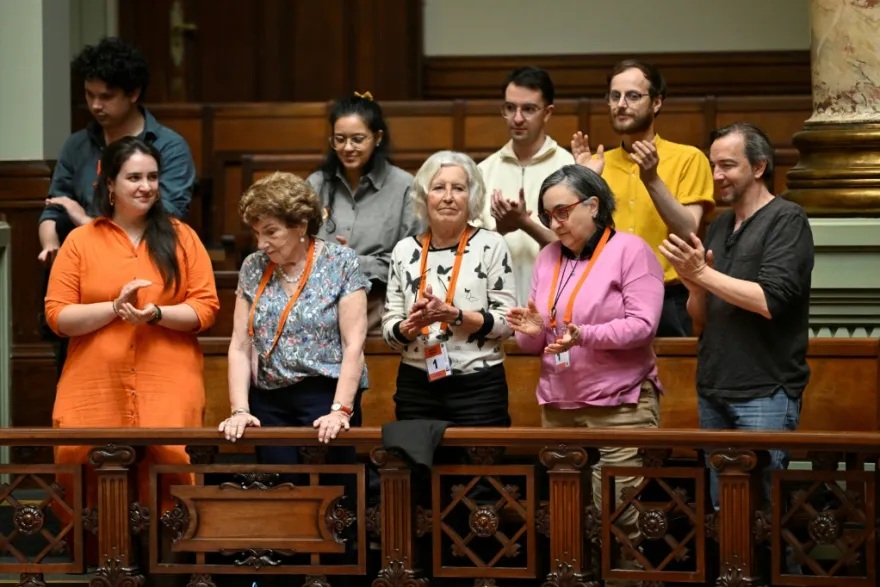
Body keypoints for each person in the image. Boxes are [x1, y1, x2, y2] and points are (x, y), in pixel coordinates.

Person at [44, 136, 218, 518]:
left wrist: (156, 313)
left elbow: (205, 309)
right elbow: (57, 316)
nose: (146, 187)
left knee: (171, 472)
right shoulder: (80, 242)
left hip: (169, 379)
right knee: (84, 471)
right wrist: (112, 307)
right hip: (94, 383)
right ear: (110, 185)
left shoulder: (182, 237)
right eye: (134, 177)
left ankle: (169, 574)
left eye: (153, 177)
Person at [507, 165, 663, 582]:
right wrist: (530, 330)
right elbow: (535, 342)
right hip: (559, 407)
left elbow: (644, 324)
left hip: (620, 405)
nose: (554, 225)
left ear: (593, 205)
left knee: (620, 522)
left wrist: (584, 335)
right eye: (547, 217)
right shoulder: (547, 257)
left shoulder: (631, 250)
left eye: (561, 213)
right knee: (565, 526)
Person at [659, 122, 813, 509]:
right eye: (713, 165)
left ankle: (771, 574)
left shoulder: (787, 219)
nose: (716, 176)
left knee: (762, 511)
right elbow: (701, 320)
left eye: (727, 165)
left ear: (759, 167)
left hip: (765, 389)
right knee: (722, 511)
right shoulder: (722, 225)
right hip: (714, 386)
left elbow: (769, 300)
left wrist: (703, 275)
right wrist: (694, 288)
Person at [38, 37, 197, 374]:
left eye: (106, 96)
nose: (96, 105)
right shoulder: (77, 146)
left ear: (133, 93)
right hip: (84, 280)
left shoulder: (169, 146)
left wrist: (85, 221)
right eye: (89, 95)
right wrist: (51, 243)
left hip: (150, 278)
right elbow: (54, 205)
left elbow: (164, 216)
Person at [219, 171, 369, 460]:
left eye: (271, 231)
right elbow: (239, 345)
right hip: (268, 398)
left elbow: (354, 345)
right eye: (256, 233)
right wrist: (240, 409)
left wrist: (340, 411)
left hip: (325, 395)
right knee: (281, 491)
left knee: (333, 491)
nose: (261, 243)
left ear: (300, 225)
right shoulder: (253, 265)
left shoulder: (340, 262)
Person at [572, 60, 715, 336]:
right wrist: (584, 182)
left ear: (657, 102)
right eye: (615, 96)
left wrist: (651, 178)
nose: (621, 104)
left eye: (633, 96)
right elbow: (575, 241)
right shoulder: (597, 163)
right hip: (607, 297)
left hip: (669, 299)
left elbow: (687, 229)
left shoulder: (689, 158)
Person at [383, 151, 516, 427]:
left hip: (479, 387)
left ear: (472, 197)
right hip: (416, 384)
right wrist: (410, 325)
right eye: (438, 187)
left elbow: (506, 323)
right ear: (424, 196)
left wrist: (454, 316)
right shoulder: (403, 250)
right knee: (417, 468)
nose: (448, 197)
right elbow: (389, 330)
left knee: (479, 469)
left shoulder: (492, 246)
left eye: (458, 188)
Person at [307, 92, 419, 336]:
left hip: (381, 314)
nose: (347, 148)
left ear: (377, 137)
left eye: (358, 139)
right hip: (318, 313)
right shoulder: (315, 185)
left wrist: (353, 261)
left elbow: (415, 262)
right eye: (340, 139)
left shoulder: (405, 187)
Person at [478, 67, 575, 304]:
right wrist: (500, 230)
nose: (517, 118)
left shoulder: (569, 168)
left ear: (548, 113)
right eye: (510, 108)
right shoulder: (483, 171)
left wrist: (524, 224)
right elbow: (467, 252)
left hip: (557, 303)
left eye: (529, 109)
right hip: (494, 308)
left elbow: (577, 247)